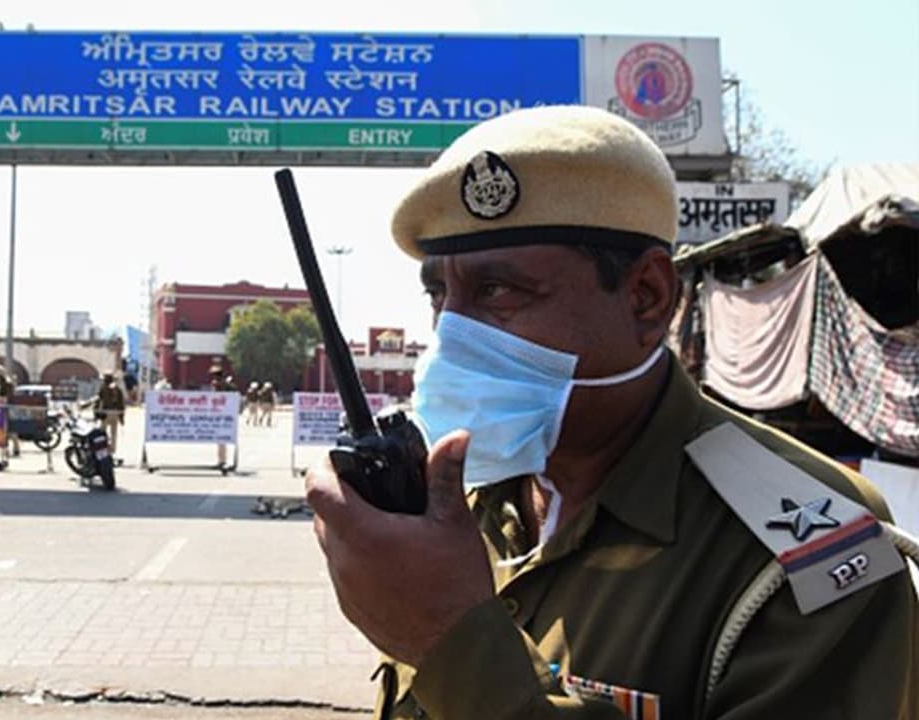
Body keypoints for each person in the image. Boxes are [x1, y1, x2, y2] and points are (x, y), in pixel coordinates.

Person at [304, 106, 917, 719]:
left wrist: (447, 641)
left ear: (647, 299)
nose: (452, 336)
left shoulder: (804, 553)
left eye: (498, 292)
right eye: (440, 295)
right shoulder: (463, 498)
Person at [93, 371, 126, 457]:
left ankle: (102, 450)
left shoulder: (103, 388)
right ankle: (112, 450)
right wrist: (122, 418)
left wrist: (95, 415)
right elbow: (121, 403)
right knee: (114, 433)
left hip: (105, 413)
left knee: (101, 432)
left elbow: (98, 401)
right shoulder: (117, 389)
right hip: (115, 413)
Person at [0, 364, 20, 460]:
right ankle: (15, 448)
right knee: (9, 429)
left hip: (5, 409)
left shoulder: (5, 383)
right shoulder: (7, 382)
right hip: (8, 409)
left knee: (4, 428)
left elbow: (3, 397)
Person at [208, 366, 232, 468]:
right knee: (222, 439)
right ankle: (222, 460)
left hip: (219, 413)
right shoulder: (228, 385)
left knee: (220, 439)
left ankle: (222, 461)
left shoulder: (217, 384)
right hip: (226, 414)